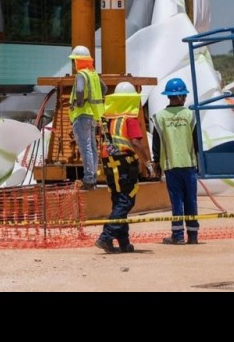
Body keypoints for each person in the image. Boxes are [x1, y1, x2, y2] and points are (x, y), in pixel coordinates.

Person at [94, 82, 154, 254]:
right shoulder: (130, 120)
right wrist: (147, 164)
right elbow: (136, 143)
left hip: (109, 165)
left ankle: (124, 243)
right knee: (126, 201)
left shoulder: (108, 121)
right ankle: (106, 236)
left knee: (118, 201)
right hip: (125, 165)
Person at [151, 77, 200, 245]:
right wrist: (199, 164)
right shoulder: (190, 115)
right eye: (184, 95)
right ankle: (193, 236)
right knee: (191, 200)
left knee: (177, 201)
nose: (185, 97)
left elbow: (156, 143)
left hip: (170, 166)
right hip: (189, 164)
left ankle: (178, 236)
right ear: (180, 96)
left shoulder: (159, 117)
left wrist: (156, 163)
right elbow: (197, 142)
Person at [68, 45, 107, 190]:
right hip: (92, 116)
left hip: (82, 115)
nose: (73, 64)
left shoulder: (81, 75)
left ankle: (89, 179)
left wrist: (80, 102)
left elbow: (79, 90)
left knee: (86, 148)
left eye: (74, 61)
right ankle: (93, 177)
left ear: (78, 61)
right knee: (91, 148)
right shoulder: (93, 74)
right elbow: (104, 89)